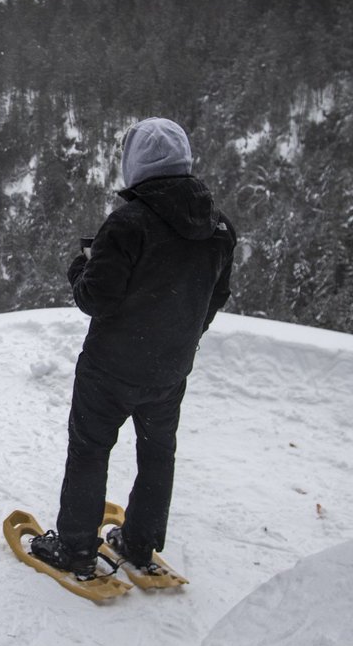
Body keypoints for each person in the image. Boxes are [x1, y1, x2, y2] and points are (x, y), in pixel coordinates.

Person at [30, 117, 237, 577]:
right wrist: (183, 336)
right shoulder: (220, 228)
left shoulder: (128, 223)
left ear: (136, 164)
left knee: (90, 449)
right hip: (170, 369)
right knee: (158, 450)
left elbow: (95, 298)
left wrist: (78, 268)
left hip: (111, 368)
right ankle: (140, 544)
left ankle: (76, 549)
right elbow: (213, 296)